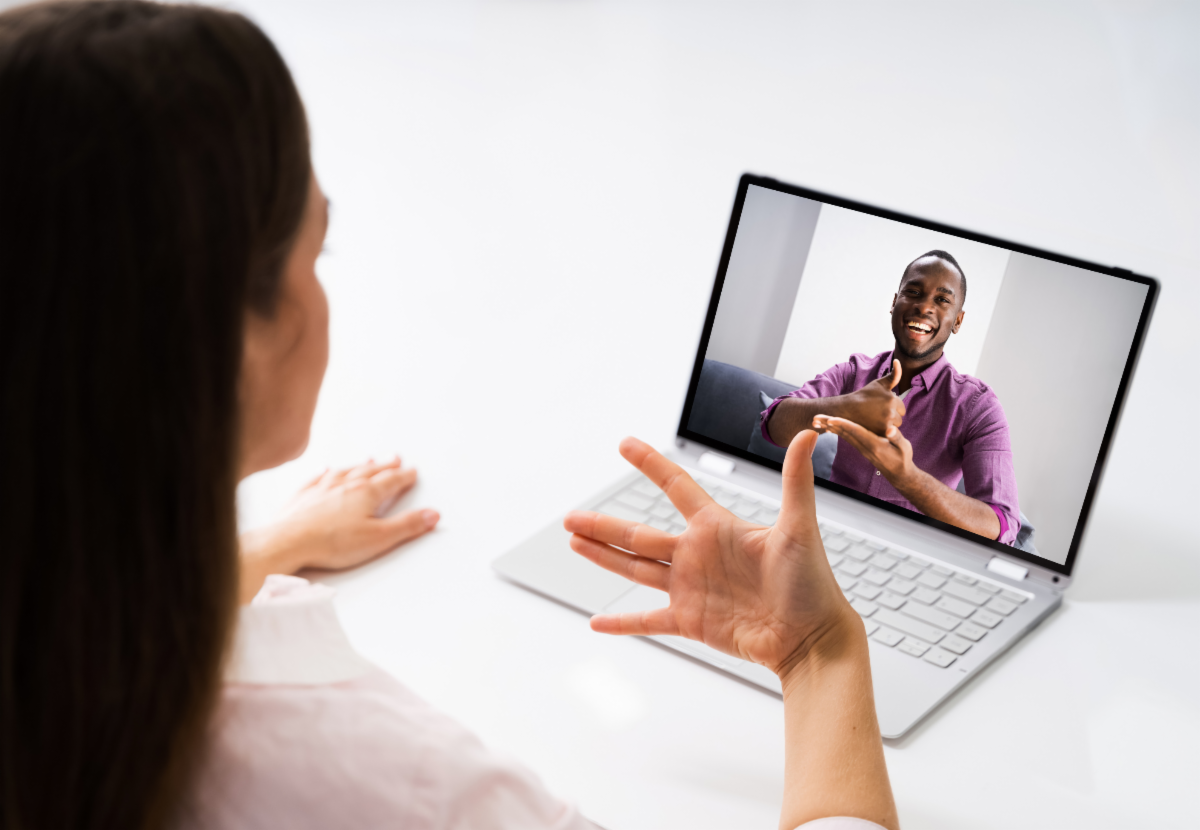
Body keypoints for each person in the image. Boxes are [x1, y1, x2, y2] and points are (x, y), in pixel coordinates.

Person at [0, 3, 897, 829]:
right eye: (319, 247)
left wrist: (257, 551)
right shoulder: (392, 790)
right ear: (234, 339)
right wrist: (820, 651)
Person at [760, 251, 1020, 544]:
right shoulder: (853, 372)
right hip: (824, 535)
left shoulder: (978, 407)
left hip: (909, 556)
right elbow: (772, 425)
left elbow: (1002, 523)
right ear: (895, 302)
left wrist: (907, 477)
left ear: (958, 321)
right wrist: (848, 407)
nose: (924, 307)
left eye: (942, 300)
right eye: (914, 292)